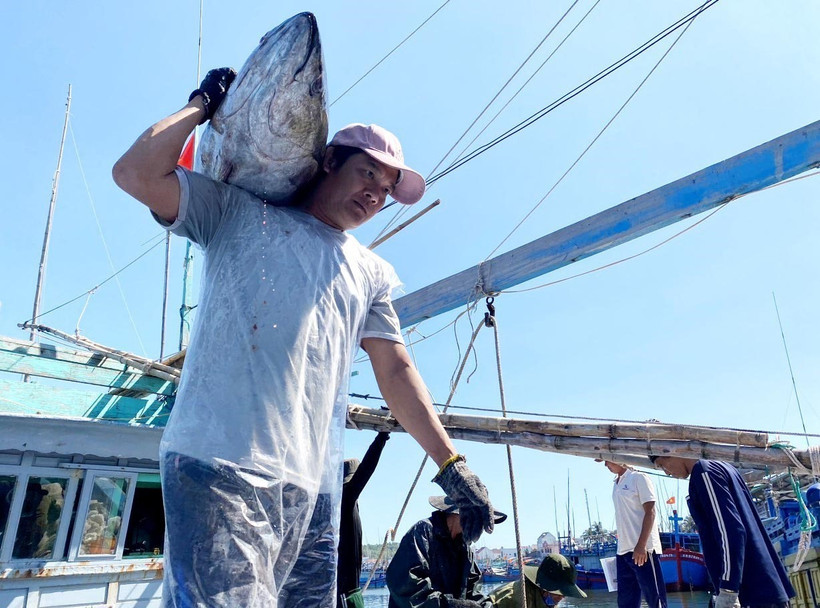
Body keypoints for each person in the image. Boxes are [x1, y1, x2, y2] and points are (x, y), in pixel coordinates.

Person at [113, 68, 496, 607]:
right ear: (328, 160)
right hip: (218, 464)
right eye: (368, 173)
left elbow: (396, 371)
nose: (375, 194)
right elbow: (135, 173)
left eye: (386, 190)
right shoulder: (236, 211)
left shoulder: (370, 273)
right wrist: (203, 105)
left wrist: (451, 464)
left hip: (312, 492)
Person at [650, 455, 795, 608]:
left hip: (750, 590)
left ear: (672, 452)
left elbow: (731, 531)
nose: (666, 472)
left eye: (662, 465)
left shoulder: (704, 473)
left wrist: (728, 588)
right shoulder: (726, 467)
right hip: (765, 586)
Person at [386, 496, 507, 608]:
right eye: (480, 520)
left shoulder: (464, 548)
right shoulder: (423, 532)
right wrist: (452, 605)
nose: (482, 527)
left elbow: (473, 592)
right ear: (462, 514)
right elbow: (407, 588)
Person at [597, 459, 667, 608]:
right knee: (625, 602)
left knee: (655, 599)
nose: (605, 465)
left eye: (607, 461)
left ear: (618, 458)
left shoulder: (639, 478)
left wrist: (641, 545)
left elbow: (651, 512)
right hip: (623, 551)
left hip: (643, 549)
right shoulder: (616, 483)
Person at [338, 431, 390, 607]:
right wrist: (382, 437)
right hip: (346, 596)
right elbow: (367, 469)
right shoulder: (346, 500)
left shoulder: (332, 508)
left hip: (340, 592)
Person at [489, 553, 587, 608]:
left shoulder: (549, 601)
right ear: (545, 588)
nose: (563, 596)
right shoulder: (513, 599)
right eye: (559, 592)